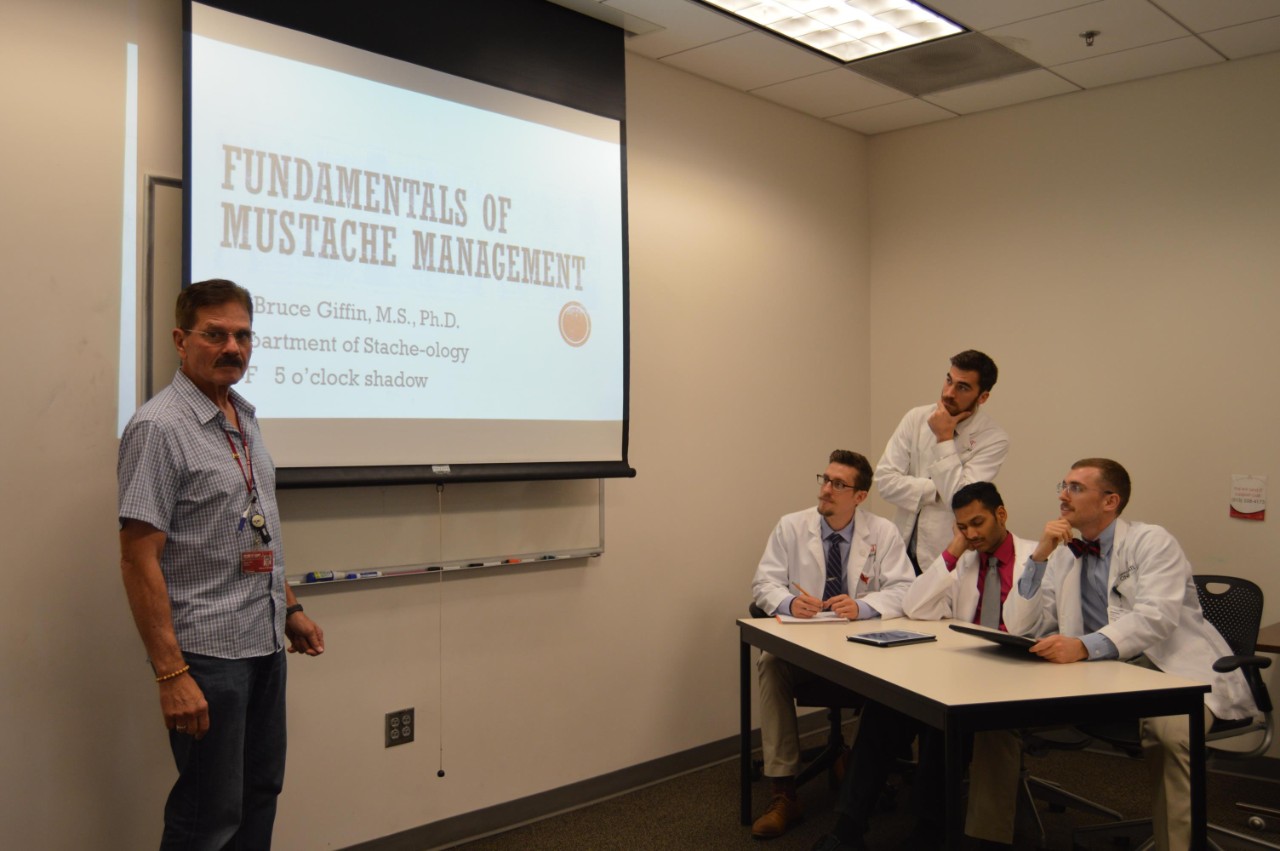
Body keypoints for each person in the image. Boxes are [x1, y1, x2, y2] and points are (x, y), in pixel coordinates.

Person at [118, 279, 325, 849]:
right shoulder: (158, 429)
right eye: (216, 334)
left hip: (261, 643)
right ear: (182, 340)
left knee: (260, 794)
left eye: (242, 335)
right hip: (207, 658)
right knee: (207, 817)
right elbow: (138, 559)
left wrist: (290, 608)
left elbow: (250, 527)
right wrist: (171, 673)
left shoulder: (244, 418)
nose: (232, 346)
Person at [1005, 458, 1257, 851]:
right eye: (1064, 484)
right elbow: (1022, 626)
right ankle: (986, 835)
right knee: (996, 714)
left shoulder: (1152, 542)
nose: (1062, 495)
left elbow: (1157, 617)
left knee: (1169, 733)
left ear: (1110, 501)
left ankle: (1178, 845)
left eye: (1075, 487)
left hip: (1172, 675)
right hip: (1095, 678)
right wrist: (1038, 557)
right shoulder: (1062, 552)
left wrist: (1085, 645)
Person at [811, 482, 1033, 851]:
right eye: (963, 527)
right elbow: (916, 605)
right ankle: (848, 828)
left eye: (977, 523)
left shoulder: (1036, 559)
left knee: (944, 723)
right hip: (962, 669)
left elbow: (1034, 625)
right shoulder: (963, 560)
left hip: (1014, 675)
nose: (972, 533)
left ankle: (930, 829)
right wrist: (952, 551)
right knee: (884, 709)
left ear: (1001, 514)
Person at [749, 450, 915, 839]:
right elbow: (763, 583)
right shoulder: (791, 527)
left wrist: (864, 606)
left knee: (890, 676)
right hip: (804, 647)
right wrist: (789, 602)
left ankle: (856, 763)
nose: (825, 489)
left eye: (838, 484)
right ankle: (784, 790)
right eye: (824, 479)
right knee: (770, 663)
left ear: (859, 496)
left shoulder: (884, 532)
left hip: (859, 645)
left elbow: (905, 588)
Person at [875, 350, 1008, 573]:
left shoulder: (994, 438)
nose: (948, 393)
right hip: (900, 552)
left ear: (982, 397)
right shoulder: (916, 418)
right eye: (949, 380)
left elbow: (962, 502)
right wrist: (935, 490)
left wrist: (944, 438)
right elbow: (884, 482)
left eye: (962, 387)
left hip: (948, 557)